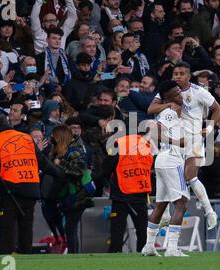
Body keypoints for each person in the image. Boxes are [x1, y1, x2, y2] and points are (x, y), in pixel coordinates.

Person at [147, 61, 220, 230]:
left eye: (181, 74)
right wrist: (168, 104)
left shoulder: (199, 92)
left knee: (189, 177)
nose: (178, 77)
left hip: (194, 139)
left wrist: (209, 128)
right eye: (175, 74)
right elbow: (151, 109)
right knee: (168, 175)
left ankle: (209, 212)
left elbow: (218, 110)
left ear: (189, 76)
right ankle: (165, 215)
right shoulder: (169, 90)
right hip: (176, 140)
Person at [0, 114, 63, 254]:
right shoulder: (26, 138)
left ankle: (7, 256)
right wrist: (58, 173)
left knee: (7, 226)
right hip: (31, 185)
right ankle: (26, 254)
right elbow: (42, 162)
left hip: (10, 187)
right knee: (26, 224)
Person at [142, 80, 190, 257]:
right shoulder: (169, 112)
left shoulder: (174, 112)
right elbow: (156, 133)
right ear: (168, 97)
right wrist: (178, 142)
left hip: (162, 160)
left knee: (161, 205)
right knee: (182, 202)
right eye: (177, 93)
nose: (180, 95)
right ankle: (172, 248)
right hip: (171, 159)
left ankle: (148, 246)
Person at [101, 120, 153, 253]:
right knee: (143, 233)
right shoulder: (146, 146)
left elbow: (105, 170)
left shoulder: (117, 147)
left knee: (117, 235)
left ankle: (114, 261)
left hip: (121, 195)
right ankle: (144, 259)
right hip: (140, 194)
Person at [49, 125, 94, 253]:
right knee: (70, 227)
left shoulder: (73, 151)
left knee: (70, 227)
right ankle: (73, 253)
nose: (53, 138)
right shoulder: (63, 151)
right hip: (71, 195)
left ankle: (73, 254)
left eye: (55, 136)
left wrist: (60, 164)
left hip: (78, 195)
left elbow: (79, 170)